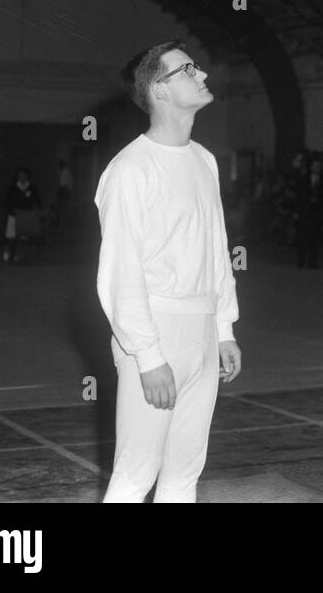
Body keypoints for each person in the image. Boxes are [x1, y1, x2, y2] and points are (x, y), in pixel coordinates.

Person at [95, 41, 241, 503]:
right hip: (154, 334)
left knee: (184, 476)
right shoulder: (129, 170)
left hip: (200, 331)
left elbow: (216, 250)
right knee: (136, 475)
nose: (202, 76)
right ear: (159, 89)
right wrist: (148, 355)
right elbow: (121, 272)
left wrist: (223, 328)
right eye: (188, 70)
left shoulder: (205, 161)